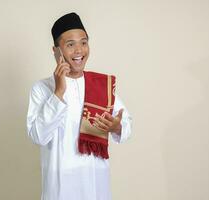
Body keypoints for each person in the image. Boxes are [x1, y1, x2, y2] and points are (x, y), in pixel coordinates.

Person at [26, 12, 132, 200]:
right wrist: (59, 91)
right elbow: (38, 136)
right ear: (56, 51)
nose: (79, 51)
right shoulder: (42, 89)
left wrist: (117, 126)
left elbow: (126, 123)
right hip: (60, 188)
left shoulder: (101, 86)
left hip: (96, 186)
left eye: (84, 42)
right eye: (70, 44)